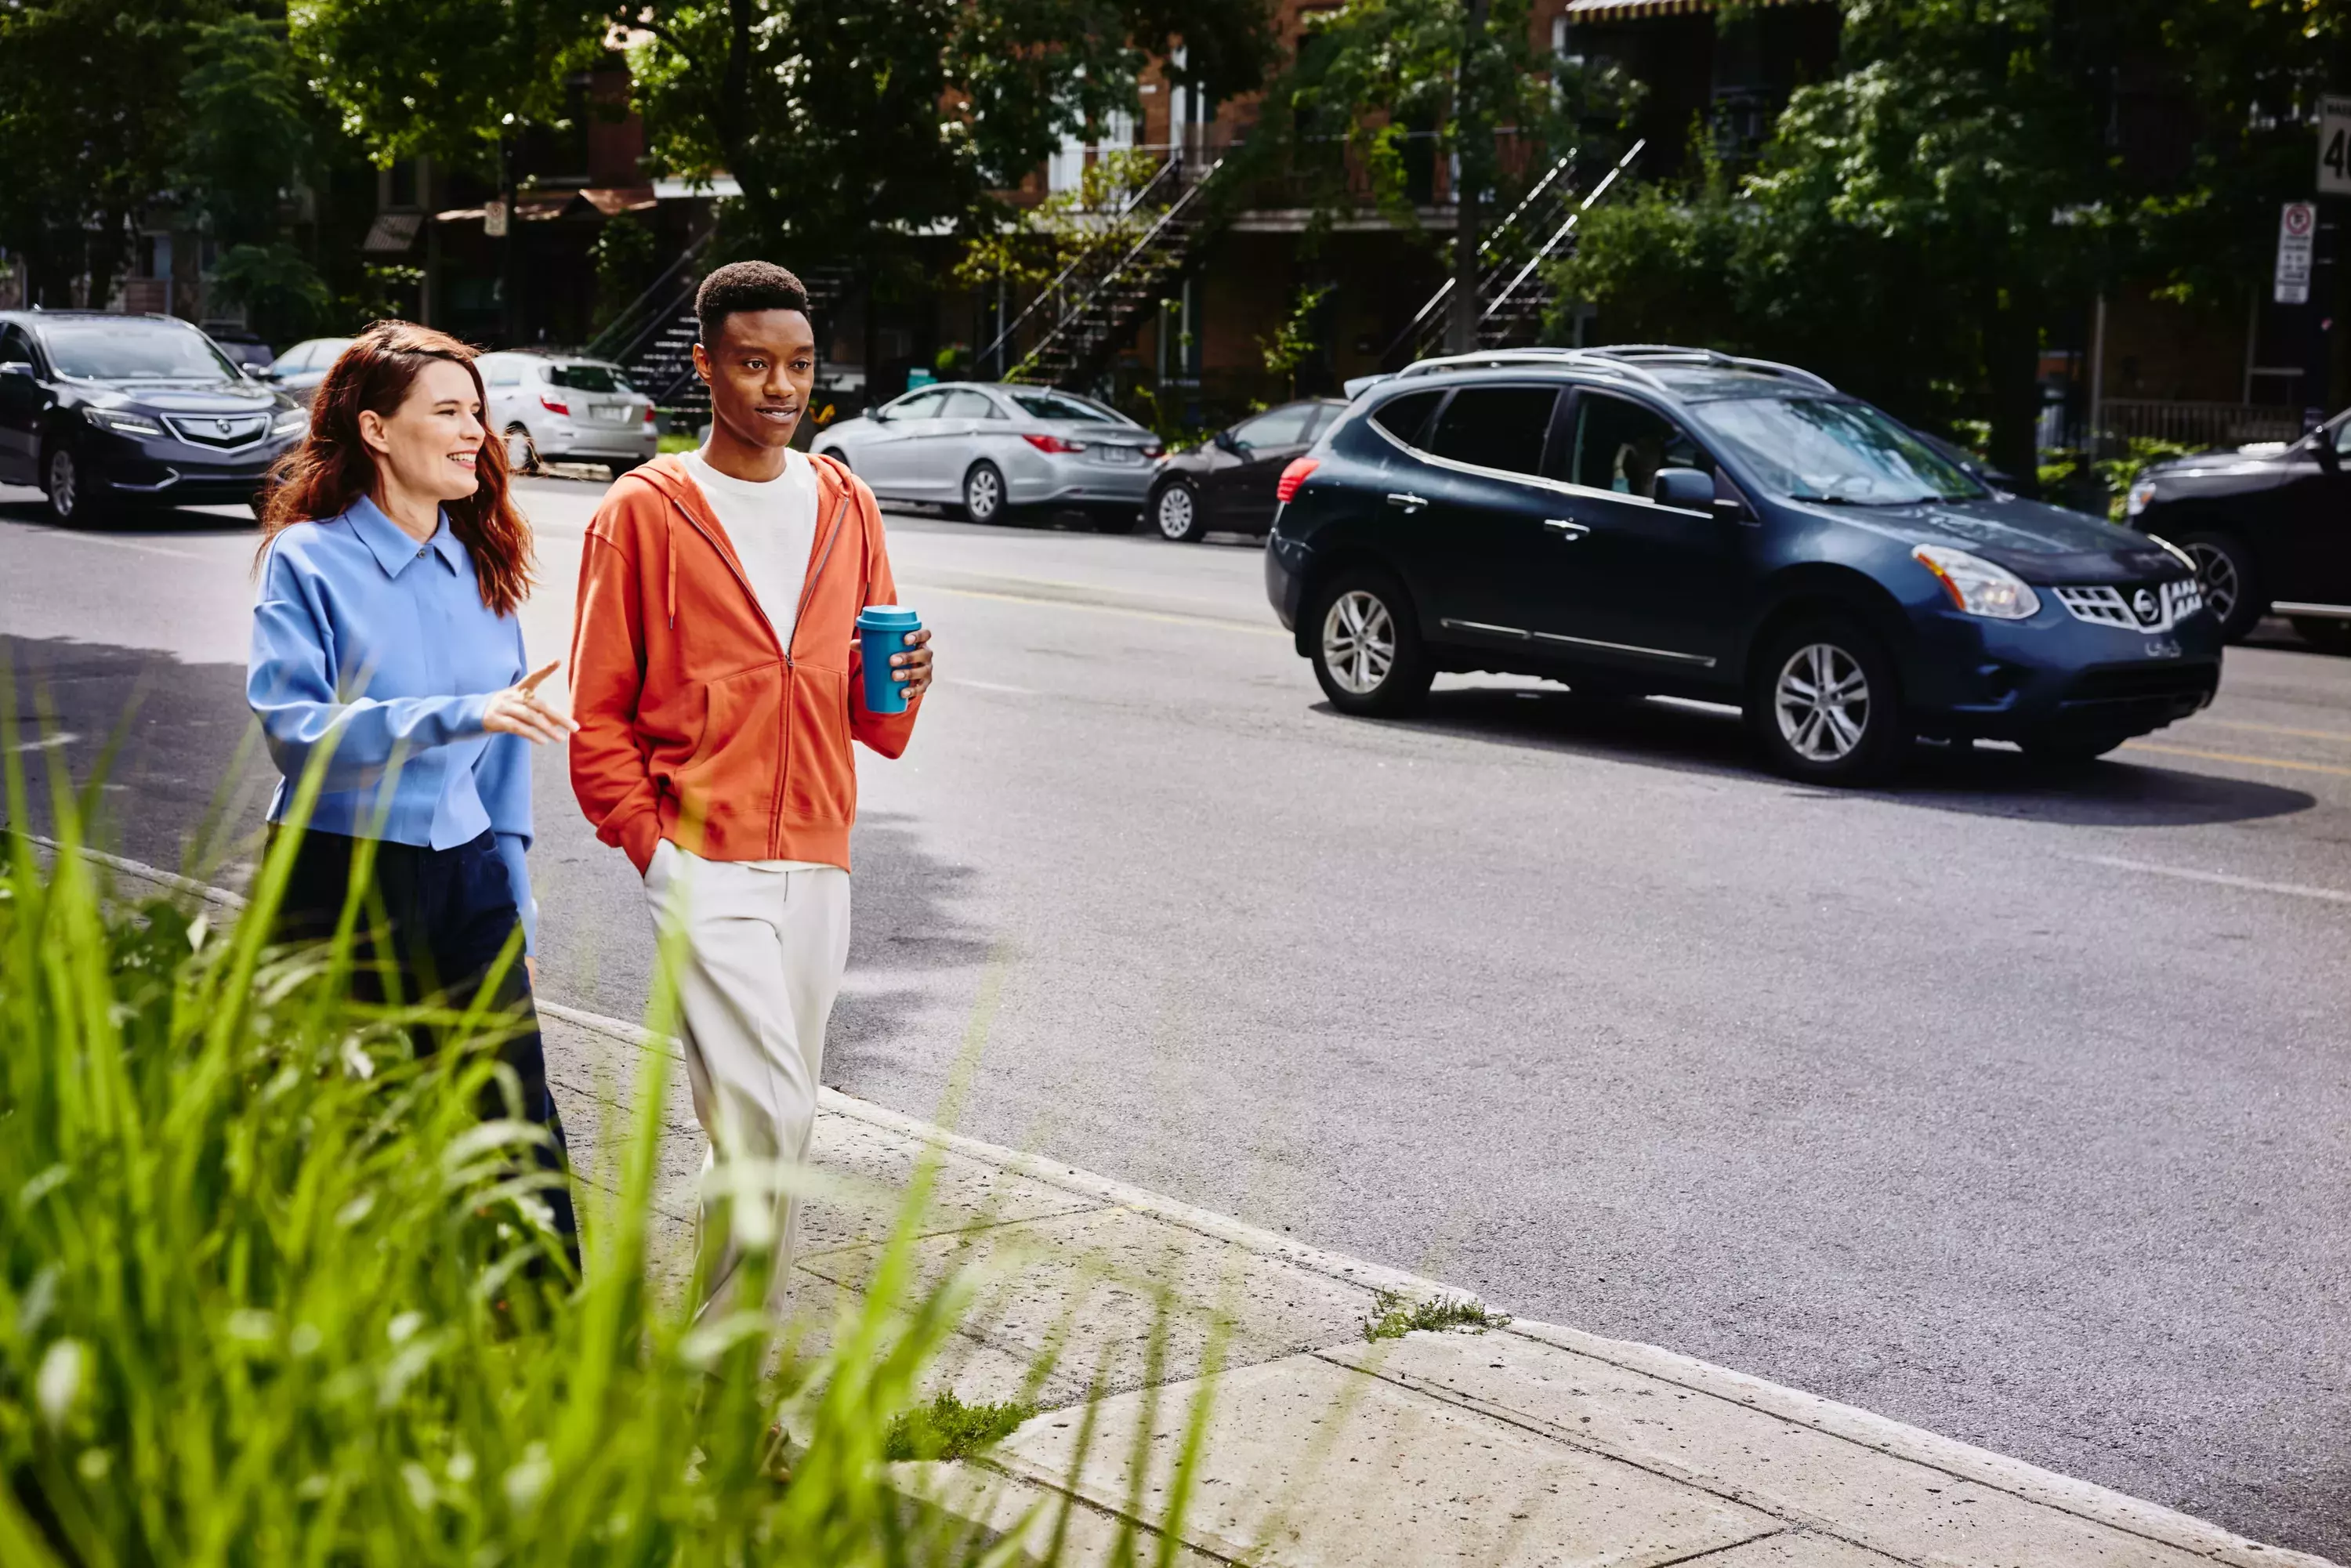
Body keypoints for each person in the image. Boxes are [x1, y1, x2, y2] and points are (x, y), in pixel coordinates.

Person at [568, 261, 934, 1315]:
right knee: (779, 1118)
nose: (781, 387)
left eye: (799, 366)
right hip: (702, 860)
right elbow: (597, 717)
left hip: (819, 857)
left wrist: (909, 685)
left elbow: (881, 722)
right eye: (754, 364)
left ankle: (715, 1390)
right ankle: (729, 1387)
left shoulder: (845, 500)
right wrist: (654, 847)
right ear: (706, 368)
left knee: (751, 1130)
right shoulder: (644, 511)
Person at [248, 320, 581, 1257]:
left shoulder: (486, 565)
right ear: (377, 430)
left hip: (469, 881)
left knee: (518, 1125)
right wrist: (456, 714)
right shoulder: (306, 559)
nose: (477, 429)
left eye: (477, 412)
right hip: (335, 881)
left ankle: (550, 1352)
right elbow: (296, 734)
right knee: (344, 1133)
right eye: (448, 410)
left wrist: (513, 895)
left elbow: (508, 745)